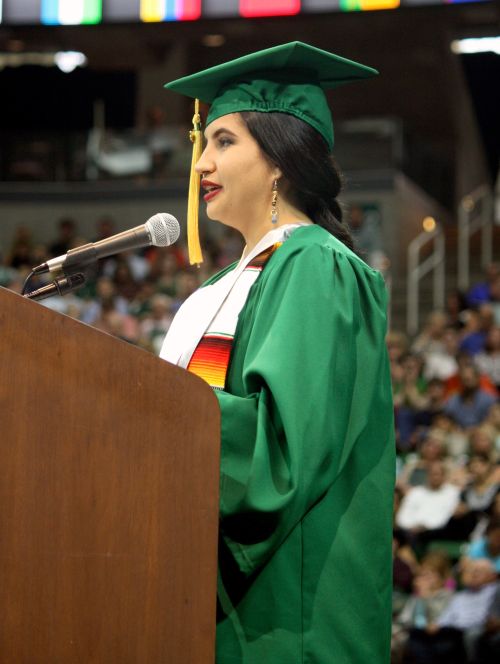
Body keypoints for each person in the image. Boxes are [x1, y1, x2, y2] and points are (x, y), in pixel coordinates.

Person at [159, 42, 395, 663]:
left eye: (224, 142)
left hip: (283, 617)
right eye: (204, 143)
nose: (201, 163)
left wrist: (147, 420)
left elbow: (280, 454)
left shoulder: (314, 263)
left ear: (281, 158)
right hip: (197, 600)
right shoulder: (217, 289)